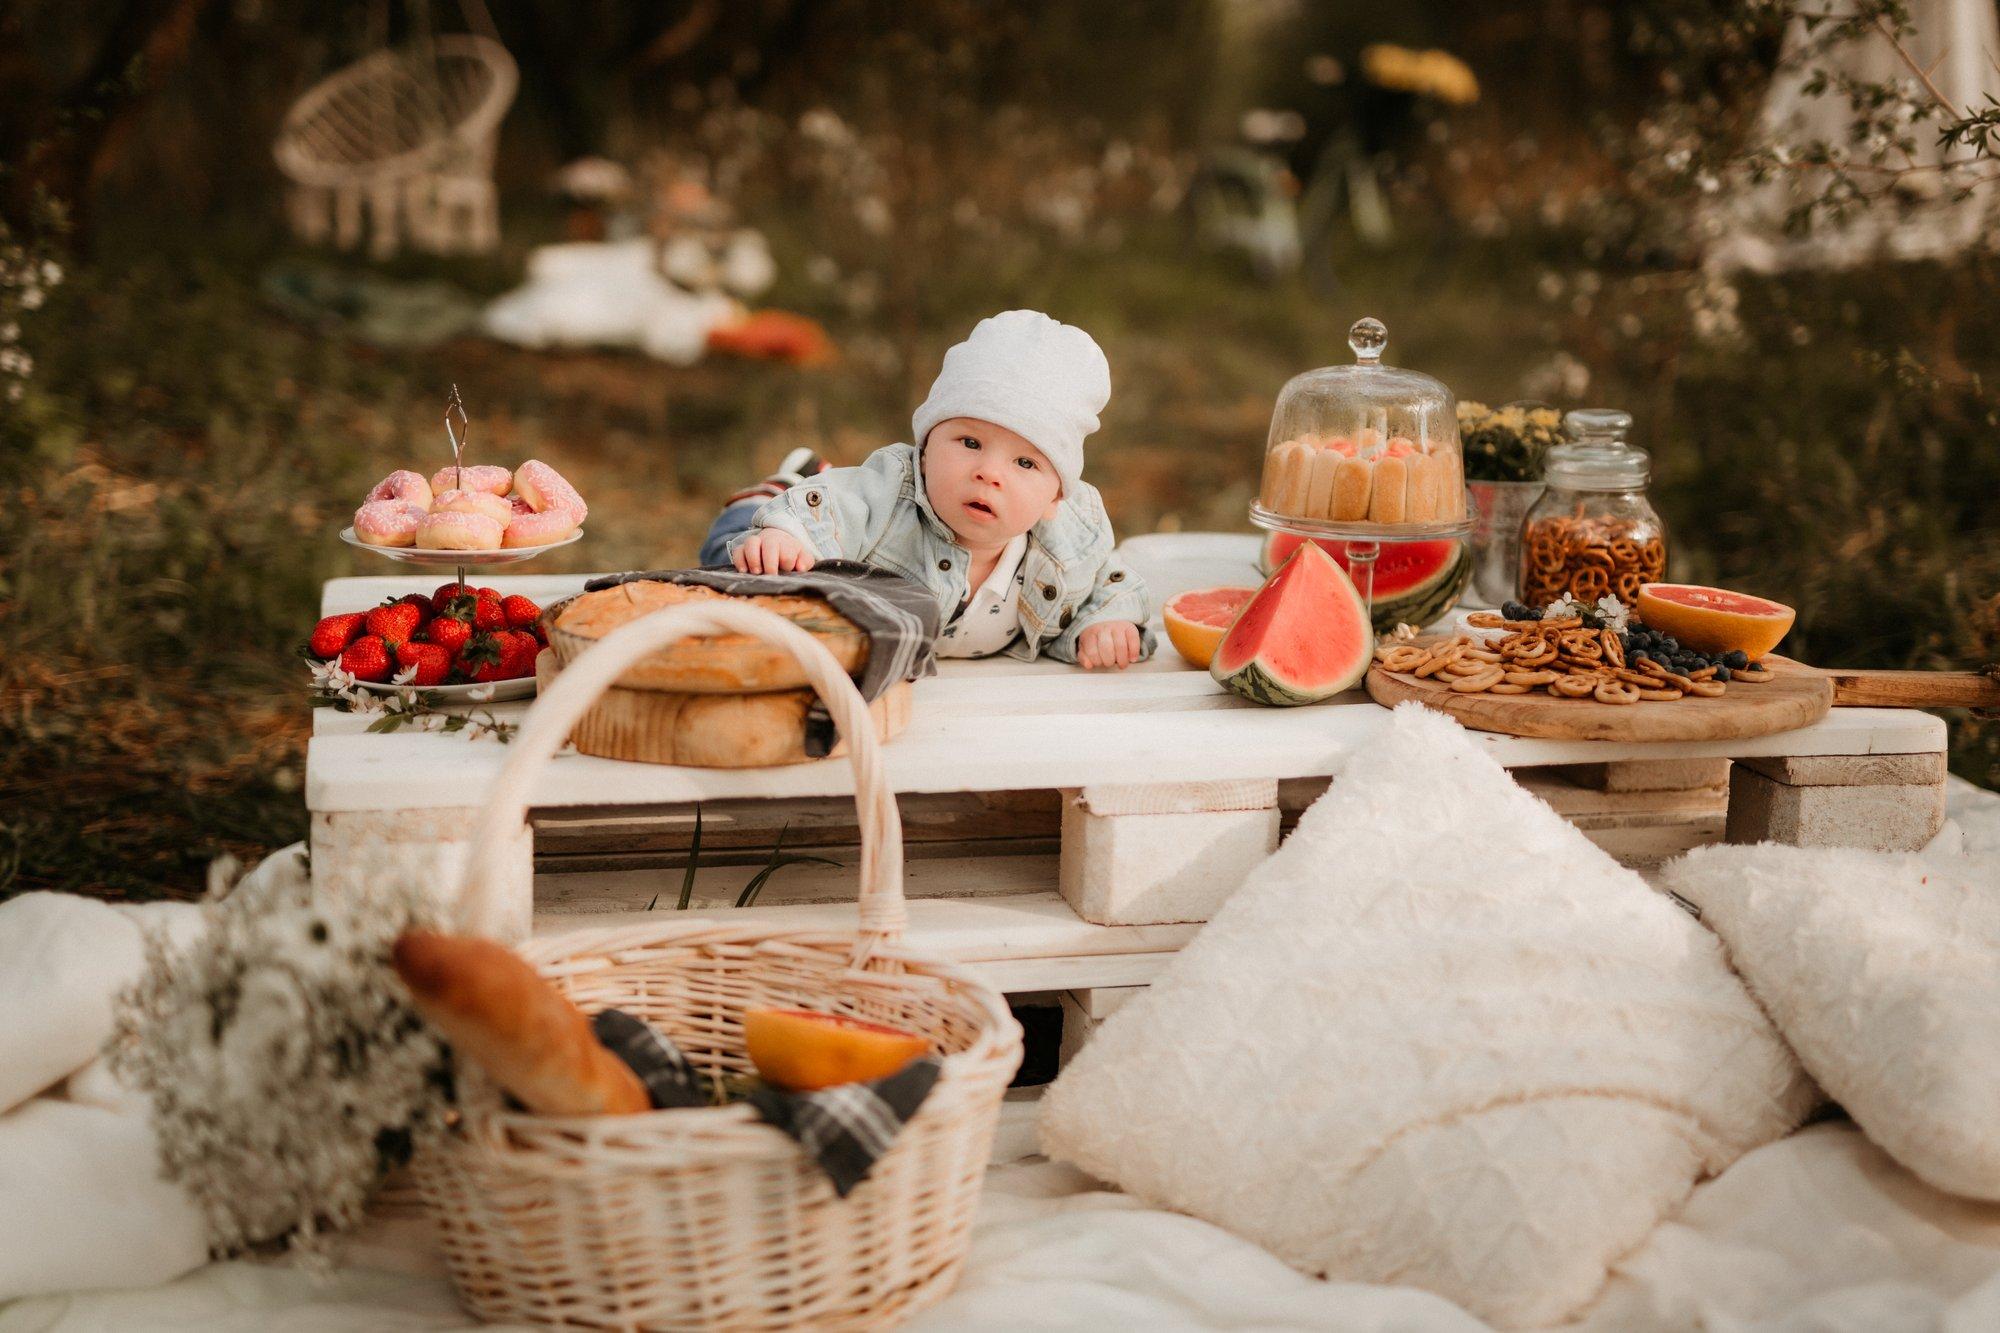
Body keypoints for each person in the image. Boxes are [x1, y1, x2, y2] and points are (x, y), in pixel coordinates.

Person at [697, 310, 1154, 670]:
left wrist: (1106, 623)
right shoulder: (890, 491)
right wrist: (786, 532)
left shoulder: (1071, 540)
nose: (989, 473)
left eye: (1025, 462)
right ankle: (782, 487)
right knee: (743, 568)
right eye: (970, 442)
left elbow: (1110, 585)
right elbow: (836, 509)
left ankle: (805, 476)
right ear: (924, 448)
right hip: (814, 525)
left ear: (1056, 497)